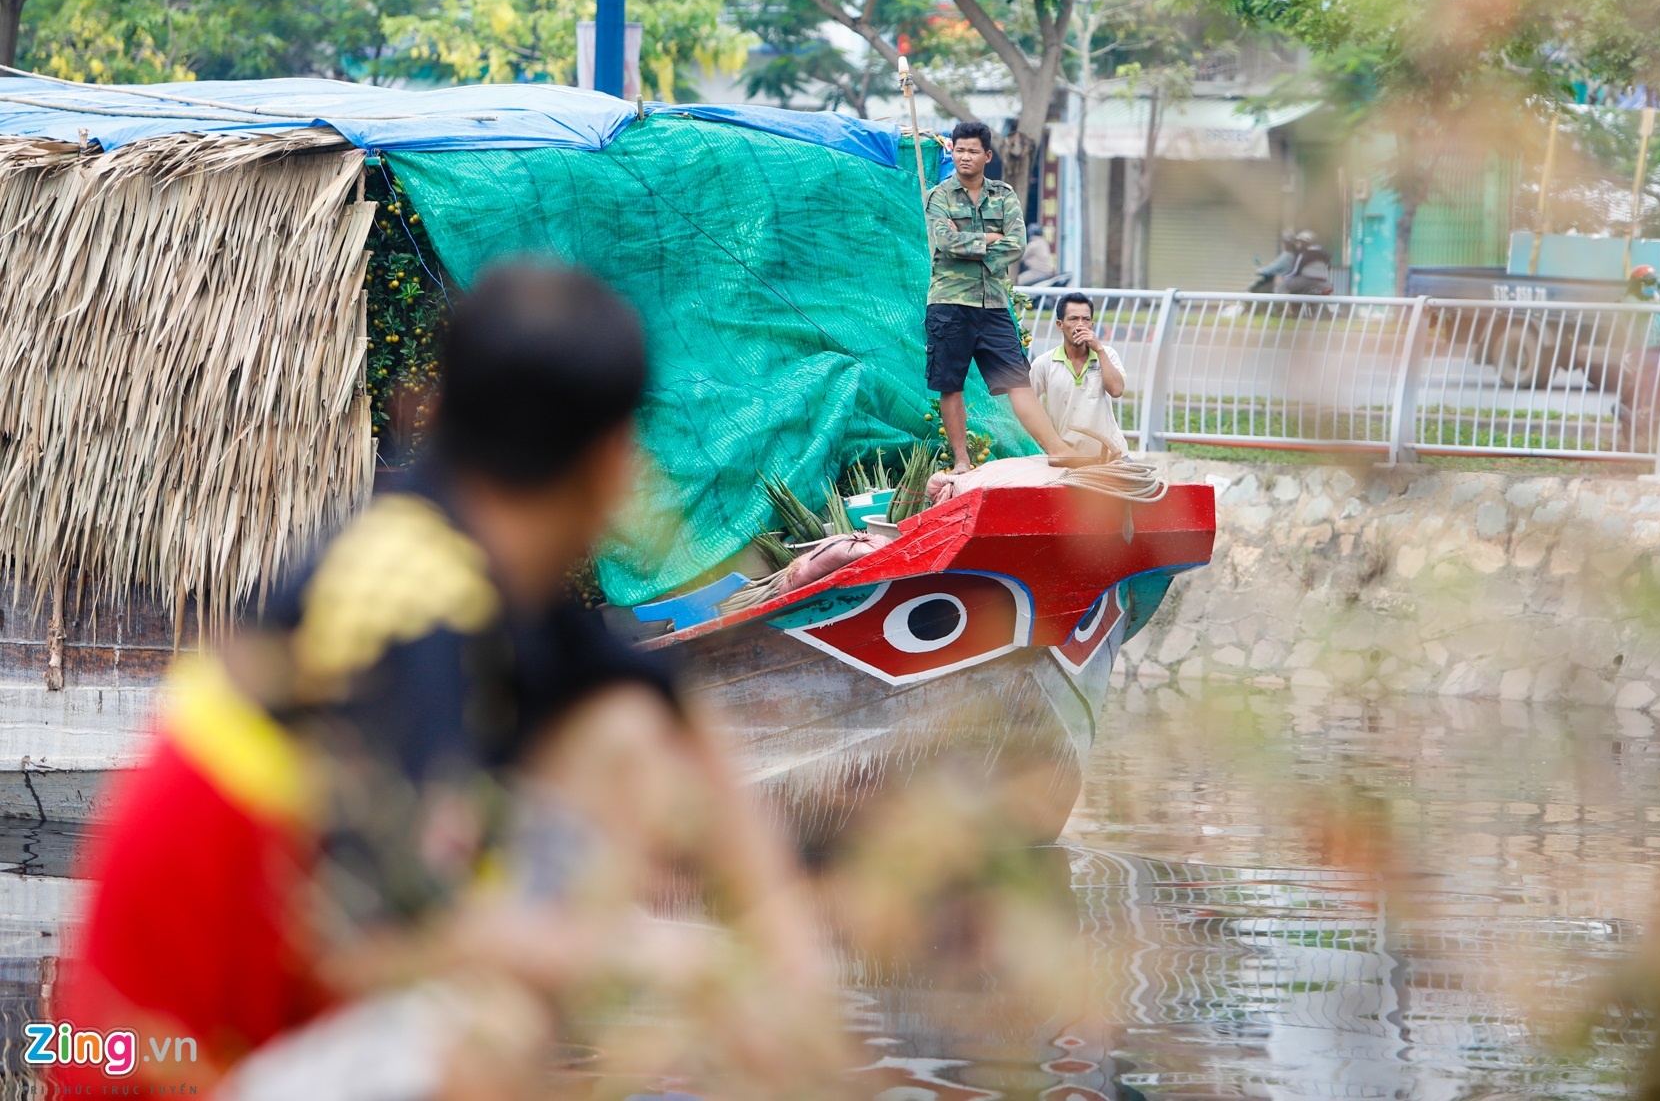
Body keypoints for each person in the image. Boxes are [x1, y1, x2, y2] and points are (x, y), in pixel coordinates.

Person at [53, 262, 836, 1097]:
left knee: (624, 733)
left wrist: (791, 968)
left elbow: (679, 726)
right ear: (613, 465)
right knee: (483, 1023)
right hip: (144, 1061)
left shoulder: (488, 570)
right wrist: (672, 959)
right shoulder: (413, 602)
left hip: (258, 1033)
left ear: (433, 413)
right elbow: (379, 941)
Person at [925, 122, 1069, 471]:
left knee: (1017, 380)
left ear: (987, 156)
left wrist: (971, 244)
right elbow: (945, 242)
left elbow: (1017, 244)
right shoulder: (939, 196)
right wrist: (990, 238)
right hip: (950, 303)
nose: (965, 157)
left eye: (973, 150)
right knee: (950, 384)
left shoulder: (1004, 195)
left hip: (994, 304)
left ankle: (1057, 448)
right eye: (959, 150)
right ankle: (961, 461)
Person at [1029, 292, 1129, 458]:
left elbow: (1117, 390)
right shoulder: (1045, 363)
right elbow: (1027, 405)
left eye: (1086, 319)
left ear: (1092, 324)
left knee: (1146, 482)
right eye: (1073, 319)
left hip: (1111, 455)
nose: (1080, 325)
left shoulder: (1107, 355)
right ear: (1060, 325)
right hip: (1067, 456)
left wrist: (1099, 350)